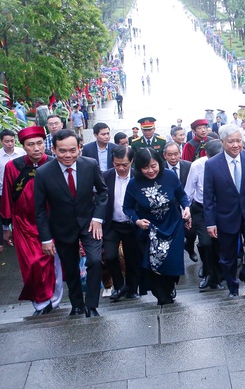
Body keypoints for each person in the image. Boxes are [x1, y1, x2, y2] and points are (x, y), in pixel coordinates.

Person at [35, 129, 108, 317]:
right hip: (62, 227)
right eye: (62, 151)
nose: (68, 155)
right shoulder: (43, 173)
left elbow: (102, 192)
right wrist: (45, 238)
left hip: (90, 223)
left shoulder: (90, 165)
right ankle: (77, 304)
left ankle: (91, 305)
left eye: (72, 150)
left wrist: (98, 218)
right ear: (53, 150)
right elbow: (40, 209)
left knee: (94, 260)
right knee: (70, 266)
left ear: (79, 149)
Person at [1, 126, 63, 316]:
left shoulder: (55, 163)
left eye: (39, 143)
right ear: (24, 147)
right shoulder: (13, 167)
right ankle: (40, 301)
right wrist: (5, 226)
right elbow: (8, 198)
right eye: (31, 145)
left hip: (52, 224)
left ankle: (54, 299)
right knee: (32, 264)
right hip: (24, 224)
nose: (36, 148)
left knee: (54, 264)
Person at [204, 125, 245, 297]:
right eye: (231, 141)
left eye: (238, 141)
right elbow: (209, 197)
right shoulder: (211, 164)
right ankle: (233, 286)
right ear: (222, 142)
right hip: (225, 216)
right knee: (228, 257)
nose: (235, 145)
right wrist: (210, 223)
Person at [123, 148, 190, 305]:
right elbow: (127, 208)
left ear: (159, 163)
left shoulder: (170, 176)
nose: (150, 170)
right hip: (150, 229)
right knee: (154, 264)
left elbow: (182, 196)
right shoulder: (134, 183)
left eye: (153, 166)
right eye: (145, 167)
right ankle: (161, 294)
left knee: (172, 261)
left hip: (172, 225)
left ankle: (171, 284)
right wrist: (137, 221)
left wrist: (186, 208)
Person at [102, 146, 141, 302]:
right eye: (117, 164)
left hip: (132, 224)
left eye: (125, 164)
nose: (121, 168)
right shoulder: (106, 176)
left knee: (133, 259)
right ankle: (119, 286)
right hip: (112, 224)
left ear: (131, 161)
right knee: (110, 256)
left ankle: (132, 289)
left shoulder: (138, 176)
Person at [184, 140, 223, 291]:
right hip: (201, 208)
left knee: (218, 243)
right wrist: (187, 212)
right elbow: (188, 191)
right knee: (206, 242)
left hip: (220, 208)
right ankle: (207, 271)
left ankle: (217, 277)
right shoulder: (197, 166)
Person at [163, 142, 197, 263]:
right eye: (170, 155)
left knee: (191, 232)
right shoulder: (160, 168)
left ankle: (190, 247)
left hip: (187, 205)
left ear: (180, 153)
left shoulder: (189, 166)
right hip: (169, 208)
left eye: (176, 154)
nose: (173, 158)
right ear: (164, 155)